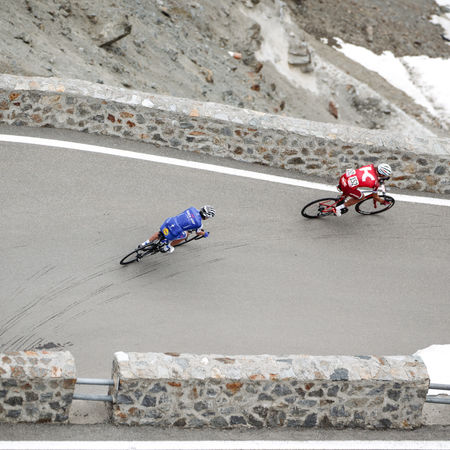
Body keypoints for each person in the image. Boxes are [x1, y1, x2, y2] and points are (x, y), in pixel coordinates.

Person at [138, 205, 216, 253]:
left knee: (160, 233)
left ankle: (144, 243)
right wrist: (205, 234)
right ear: (207, 216)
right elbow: (198, 232)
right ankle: (167, 247)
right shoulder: (199, 224)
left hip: (169, 222)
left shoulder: (192, 208)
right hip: (174, 231)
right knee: (185, 235)